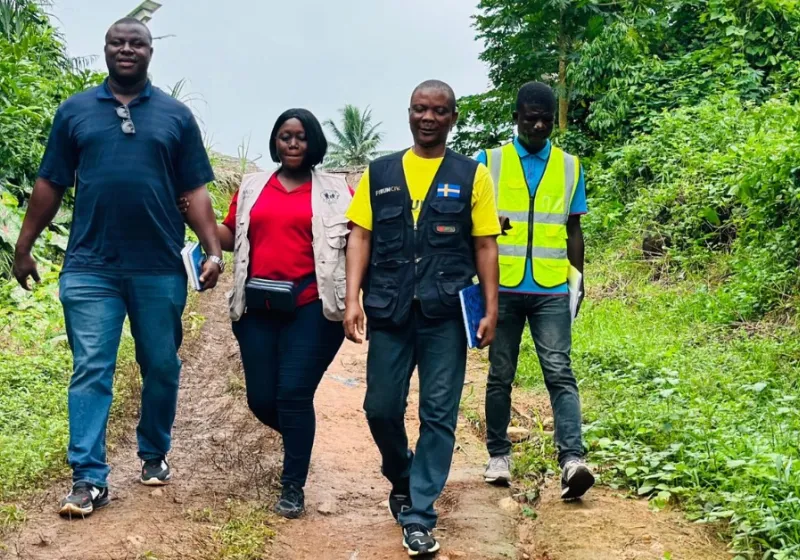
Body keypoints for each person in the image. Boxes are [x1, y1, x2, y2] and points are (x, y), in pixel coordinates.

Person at [12, 18, 222, 518]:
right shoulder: (75, 112)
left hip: (158, 267)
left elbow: (194, 192)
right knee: (91, 369)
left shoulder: (175, 117)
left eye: (137, 43)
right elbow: (50, 183)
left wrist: (212, 249)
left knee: (162, 366)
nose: (126, 49)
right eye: (117, 42)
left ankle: (153, 452)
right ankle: (87, 478)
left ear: (151, 52)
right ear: (106, 50)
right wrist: (24, 246)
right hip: (90, 266)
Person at [344, 80, 500, 556]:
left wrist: (491, 307)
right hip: (390, 310)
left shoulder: (472, 175)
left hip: (445, 314)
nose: (427, 118)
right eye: (419, 109)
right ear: (408, 113)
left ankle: (419, 514)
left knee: (438, 414)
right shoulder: (381, 171)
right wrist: (352, 299)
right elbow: (360, 237)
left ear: (453, 117)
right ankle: (403, 474)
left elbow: (485, 244)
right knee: (380, 408)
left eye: (438, 111)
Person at [182, 109, 352, 519]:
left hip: (313, 307)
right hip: (257, 308)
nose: (292, 144)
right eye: (284, 137)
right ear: (275, 142)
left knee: (293, 393)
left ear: (313, 143)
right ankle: (301, 437)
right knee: (262, 400)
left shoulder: (336, 189)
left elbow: (359, 242)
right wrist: (194, 218)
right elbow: (227, 236)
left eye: (300, 137)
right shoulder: (254, 186)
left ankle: (292, 485)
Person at [476, 81, 595, 500]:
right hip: (502, 286)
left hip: (550, 288)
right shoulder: (487, 161)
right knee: (500, 374)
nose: (540, 125)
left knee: (560, 372)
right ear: (516, 116)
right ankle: (498, 456)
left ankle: (573, 460)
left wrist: (577, 282)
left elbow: (574, 229)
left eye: (546, 118)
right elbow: (474, 227)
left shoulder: (569, 166)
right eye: (531, 117)